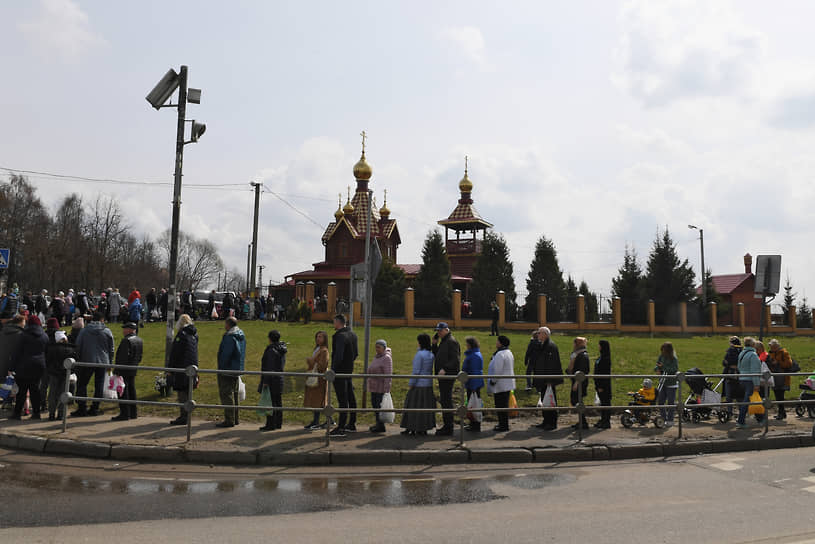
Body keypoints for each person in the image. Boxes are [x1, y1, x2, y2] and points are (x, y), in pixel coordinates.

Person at [72, 312, 114, 417]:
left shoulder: (84, 331)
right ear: (102, 319)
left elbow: (78, 345)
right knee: (99, 385)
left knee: (82, 384)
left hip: (87, 360)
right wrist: (110, 362)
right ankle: (95, 407)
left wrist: (79, 359)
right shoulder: (107, 331)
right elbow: (111, 349)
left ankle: (82, 407)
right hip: (103, 361)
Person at [9, 315, 48, 420]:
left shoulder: (23, 335)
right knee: (35, 390)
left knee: (22, 391)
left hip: (23, 366)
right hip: (38, 365)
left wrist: (11, 367)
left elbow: (16, 353)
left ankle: (17, 413)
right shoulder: (44, 335)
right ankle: (36, 413)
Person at [400, 333, 436, 436]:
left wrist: (411, 383)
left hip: (419, 384)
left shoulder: (419, 355)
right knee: (424, 408)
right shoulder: (431, 354)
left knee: (412, 406)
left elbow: (416, 371)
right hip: (428, 384)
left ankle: (411, 427)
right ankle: (423, 428)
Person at [329, 314, 358, 437]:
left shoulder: (340, 336)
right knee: (350, 397)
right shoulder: (352, 334)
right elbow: (356, 353)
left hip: (340, 371)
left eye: (334, 322)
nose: (333, 324)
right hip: (348, 369)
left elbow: (338, 355)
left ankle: (341, 427)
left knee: (342, 399)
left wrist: (333, 370)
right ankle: (351, 423)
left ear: (338, 322)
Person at [530, 326, 563, 431]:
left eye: (539, 333)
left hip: (548, 379)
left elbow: (552, 364)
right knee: (545, 400)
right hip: (542, 378)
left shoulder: (551, 346)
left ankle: (552, 422)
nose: (537, 334)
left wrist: (550, 380)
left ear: (545, 334)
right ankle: (546, 421)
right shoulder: (542, 345)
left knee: (551, 400)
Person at [216, 316, 246, 428]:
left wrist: (221, 368)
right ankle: (235, 418)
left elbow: (225, 355)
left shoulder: (230, 337)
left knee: (226, 394)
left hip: (227, 369)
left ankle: (229, 419)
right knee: (235, 393)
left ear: (228, 325)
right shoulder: (240, 335)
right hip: (237, 368)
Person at [168, 314, 198, 425]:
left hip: (182, 367)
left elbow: (175, 353)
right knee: (188, 392)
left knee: (182, 394)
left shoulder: (181, 335)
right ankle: (187, 415)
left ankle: (184, 416)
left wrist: (170, 368)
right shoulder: (194, 335)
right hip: (192, 366)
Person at [431, 322, 460, 436]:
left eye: (440, 331)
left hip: (448, 375)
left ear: (446, 330)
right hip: (443, 375)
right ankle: (447, 426)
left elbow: (455, 360)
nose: (438, 333)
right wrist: (434, 344)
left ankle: (449, 427)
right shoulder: (444, 341)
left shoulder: (451, 341)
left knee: (446, 401)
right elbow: (438, 355)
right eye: (437, 331)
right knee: (444, 400)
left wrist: (445, 369)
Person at [111, 322, 143, 421]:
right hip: (133, 367)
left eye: (125, 329)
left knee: (123, 391)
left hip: (124, 369)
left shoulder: (126, 341)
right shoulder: (139, 340)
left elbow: (122, 357)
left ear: (130, 329)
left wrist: (117, 370)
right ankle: (133, 412)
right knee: (132, 390)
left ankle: (125, 413)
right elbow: (140, 356)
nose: (123, 331)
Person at [258, 330, 287, 431]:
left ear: (269, 338)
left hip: (271, 379)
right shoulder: (281, 349)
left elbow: (269, 367)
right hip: (279, 378)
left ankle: (271, 424)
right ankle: (278, 423)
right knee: (278, 402)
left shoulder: (271, 350)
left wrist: (265, 381)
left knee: (270, 403)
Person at [487, 335, 515, 432]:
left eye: (497, 341)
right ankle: (503, 424)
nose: (496, 343)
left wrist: (493, 381)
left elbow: (497, 370)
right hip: (507, 383)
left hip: (500, 384)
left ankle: (503, 425)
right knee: (504, 405)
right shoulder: (508, 352)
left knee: (500, 406)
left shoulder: (500, 354)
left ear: (501, 343)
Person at [45, 330, 75, 420]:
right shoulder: (71, 349)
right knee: (64, 393)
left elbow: (47, 361)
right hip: (65, 373)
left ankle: (51, 413)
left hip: (54, 373)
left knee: (52, 394)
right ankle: (61, 414)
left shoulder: (51, 349)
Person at [303, 330, 330, 430]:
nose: (318, 339)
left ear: (325, 339)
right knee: (316, 401)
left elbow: (323, 365)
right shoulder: (318, 348)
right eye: (317, 337)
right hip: (315, 378)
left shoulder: (324, 351)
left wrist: (311, 362)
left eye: (321, 337)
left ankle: (317, 421)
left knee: (319, 401)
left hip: (320, 379)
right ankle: (323, 420)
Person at [367, 339, 393, 433]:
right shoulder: (377, 357)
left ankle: (381, 425)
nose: (377, 349)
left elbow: (388, 374)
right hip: (374, 386)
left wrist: (386, 389)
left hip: (381, 387)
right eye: (376, 347)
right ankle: (378, 423)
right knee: (375, 405)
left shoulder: (386, 358)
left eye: (379, 347)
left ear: (384, 348)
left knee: (379, 406)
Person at [736, 337, 762, 428]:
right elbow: (755, 371)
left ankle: (761, 419)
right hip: (750, 380)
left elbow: (739, 367)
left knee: (750, 400)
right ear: (753, 345)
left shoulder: (742, 353)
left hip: (742, 379)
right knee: (748, 401)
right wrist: (757, 384)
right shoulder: (753, 355)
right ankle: (741, 421)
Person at [462, 336, 484, 432]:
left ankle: (475, 425)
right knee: (473, 404)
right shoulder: (475, 354)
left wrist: (474, 386)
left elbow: (475, 371)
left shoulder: (474, 356)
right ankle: (473, 423)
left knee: (474, 404)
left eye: (467, 344)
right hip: (472, 382)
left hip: (473, 383)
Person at [766, 338, 793, 420]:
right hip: (775, 377)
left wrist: (778, 362)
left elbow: (789, 364)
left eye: (772, 347)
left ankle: (781, 413)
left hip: (782, 378)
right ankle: (782, 413)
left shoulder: (784, 353)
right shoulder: (771, 353)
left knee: (780, 396)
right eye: (770, 347)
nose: (771, 348)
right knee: (777, 396)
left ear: (776, 346)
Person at [568, 336, 590, 430]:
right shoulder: (577, 354)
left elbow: (583, 370)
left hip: (579, 382)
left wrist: (576, 383)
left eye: (574, 343)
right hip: (577, 381)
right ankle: (582, 421)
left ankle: (583, 422)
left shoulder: (582, 355)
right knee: (576, 401)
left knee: (577, 401)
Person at [655, 341, 679, 426]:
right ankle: (663, 418)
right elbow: (657, 364)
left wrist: (663, 367)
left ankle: (670, 420)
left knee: (670, 403)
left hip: (671, 383)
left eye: (664, 351)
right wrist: (657, 369)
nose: (662, 352)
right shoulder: (661, 356)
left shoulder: (674, 359)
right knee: (660, 401)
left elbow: (674, 369)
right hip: (663, 382)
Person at [593, 340, 612, 429]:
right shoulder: (601, 357)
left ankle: (606, 421)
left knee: (606, 403)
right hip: (598, 384)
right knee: (602, 403)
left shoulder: (606, 358)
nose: (598, 347)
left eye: (599, 345)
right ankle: (602, 419)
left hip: (604, 386)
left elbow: (605, 373)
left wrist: (601, 386)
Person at [0, 314, 25, 381]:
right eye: (24, 322)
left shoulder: (3, 331)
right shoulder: (21, 334)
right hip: (13, 367)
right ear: (20, 322)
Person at [722, 336, 742, 416]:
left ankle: (730, 412)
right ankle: (740, 412)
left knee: (730, 394)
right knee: (738, 395)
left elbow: (726, 361)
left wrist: (728, 363)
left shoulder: (731, 351)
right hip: (738, 374)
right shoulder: (741, 350)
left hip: (731, 375)